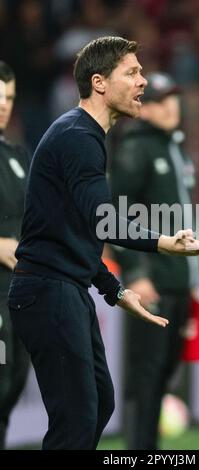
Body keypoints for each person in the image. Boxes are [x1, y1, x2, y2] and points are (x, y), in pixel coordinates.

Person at [7, 36, 199, 450]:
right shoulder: (78, 136)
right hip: (48, 292)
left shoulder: (84, 136)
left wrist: (115, 290)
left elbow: (72, 233)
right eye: (132, 72)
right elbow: (105, 223)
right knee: (77, 419)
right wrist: (164, 243)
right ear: (99, 82)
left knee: (99, 404)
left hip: (64, 289)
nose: (142, 81)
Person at [109, 72, 199, 450]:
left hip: (178, 283)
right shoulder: (136, 149)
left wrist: (191, 275)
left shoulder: (175, 147)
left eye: (173, 99)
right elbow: (114, 215)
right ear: (143, 108)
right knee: (146, 380)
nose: (169, 107)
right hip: (154, 285)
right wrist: (137, 273)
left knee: (163, 377)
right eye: (160, 100)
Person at [0, 61, 30, 449]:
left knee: (11, 387)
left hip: (19, 295)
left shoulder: (18, 156)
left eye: (8, 97)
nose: (3, 105)